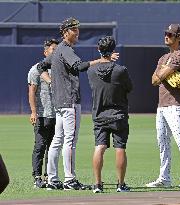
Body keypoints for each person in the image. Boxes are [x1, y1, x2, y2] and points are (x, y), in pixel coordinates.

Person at [37, 17, 119, 190]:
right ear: (66, 32)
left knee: (58, 140)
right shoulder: (65, 49)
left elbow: (40, 67)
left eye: (77, 29)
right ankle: (69, 179)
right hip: (69, 101)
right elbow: (80, 66)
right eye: (74, 29)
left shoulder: (57, 50)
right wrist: (102, 60)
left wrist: (51, 81)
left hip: (59, 101)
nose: (77, 32)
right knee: (70, 141)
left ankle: (52, 179)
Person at [146, 24, 180, 188]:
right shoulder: (162, 58)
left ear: (179, 37)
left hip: (176, 105)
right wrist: (162, 73)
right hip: (161, 106)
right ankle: (164, 178)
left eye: (170, 34)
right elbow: (154, 80)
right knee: (162, 142)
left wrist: (162, 73)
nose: (166, 36)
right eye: (166, 33)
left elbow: (160, 76)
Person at [87, 36, 133, 193]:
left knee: (99, 147)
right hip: (118, 114)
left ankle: (97, 184)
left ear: (99, 50)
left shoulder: (91, 71)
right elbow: (129, 88)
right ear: (113, 51)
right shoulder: (121, 70)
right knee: (120, 148)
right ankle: (121, 184)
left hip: (99, 115)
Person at [28, 39, 59, 188]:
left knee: (53, 147)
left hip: (57, 114)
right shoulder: (36, 69)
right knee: (40, 146)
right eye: (53, 49)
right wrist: (33, 112)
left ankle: (49, 176)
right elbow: (32, 92)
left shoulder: (58, 69)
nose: (56, 52)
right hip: (42, 114)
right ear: (46, 52)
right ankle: (37, 177)